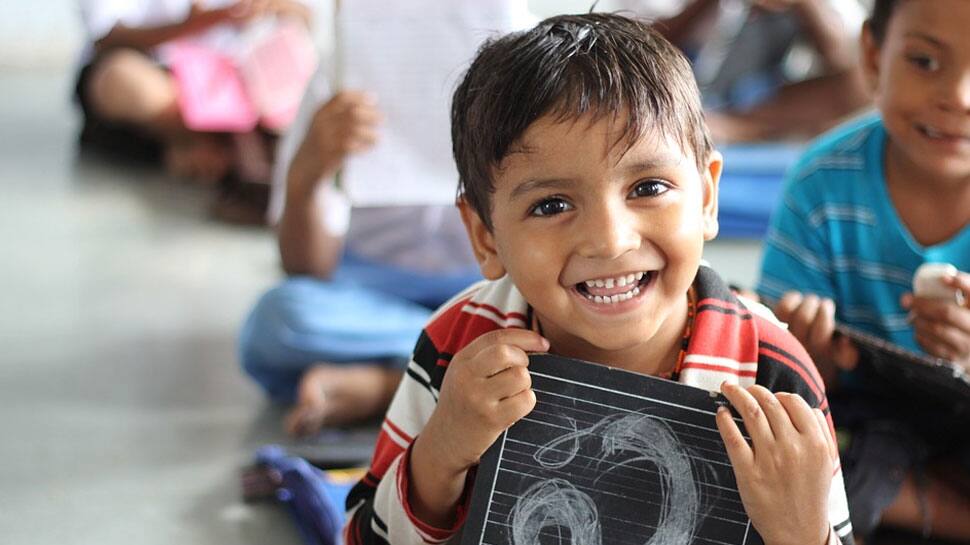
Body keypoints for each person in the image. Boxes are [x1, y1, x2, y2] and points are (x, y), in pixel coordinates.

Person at [343, 14, 854, 545]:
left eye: (649, 187)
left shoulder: (771, 374)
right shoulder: (460, 346)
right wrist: (442, 452)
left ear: (705, 197)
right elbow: (360, 537)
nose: (610, 241)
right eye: (552, 204)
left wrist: (799, 532)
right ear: (485, 237)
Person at [756, 0, 970, 540]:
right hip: (865, 425)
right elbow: (772, 370)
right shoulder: (821, 185)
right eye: (924, 62)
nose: (958, 97)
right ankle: (935, 506)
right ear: (873, 57)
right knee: (787, 460)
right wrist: (813, 363)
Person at [238, 66, 482, 435]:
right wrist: (307, 176)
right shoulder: (338, 73)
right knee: (279, 318)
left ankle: (388, 384)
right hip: (369, 291)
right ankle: (465, 361)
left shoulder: (524, 65)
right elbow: (305, 266)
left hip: (487, 283)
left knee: (567, 319)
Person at [75, 0, 311, 182]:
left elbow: (304, 18)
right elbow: (106, 36)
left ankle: (210, 148)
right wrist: (195, 24)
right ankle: (213, 143)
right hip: (163, 77)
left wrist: (274, 7)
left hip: (237, 81)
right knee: (122, 79)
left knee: (300, 70)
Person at [618, 0, 870, 143]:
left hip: (760, 102)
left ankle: (734, 127)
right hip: (677, 90)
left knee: (862, 84)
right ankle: (700, 120)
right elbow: (637, 49)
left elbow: (845, 60)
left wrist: (803, 4)